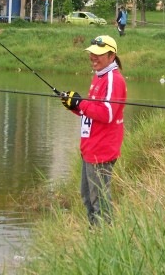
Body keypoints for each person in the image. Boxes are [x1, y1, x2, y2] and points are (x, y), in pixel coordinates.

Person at [60, 35, 127, 226]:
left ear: (112, 56)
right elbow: (92, 113)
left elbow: (107, 114)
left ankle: (104, 238)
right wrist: (74, 106)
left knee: (100, 202)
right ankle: (94, 237)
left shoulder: (114, 79)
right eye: (92, 54)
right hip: (90, 149)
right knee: (87, 198)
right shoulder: (99, 77)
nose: (93, 58)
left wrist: (81, 103)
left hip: (102, 150)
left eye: (98, 55)